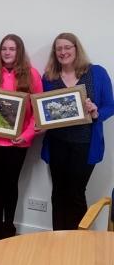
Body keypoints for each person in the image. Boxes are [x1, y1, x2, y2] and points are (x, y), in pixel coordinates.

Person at [41, 32, 114, 230]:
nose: (63, 52)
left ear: (76, 49)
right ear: (55, 52)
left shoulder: (97, 73)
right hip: (57, 143)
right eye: (59, 49)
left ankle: (77, 243)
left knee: (76, 193)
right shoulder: (49, 77)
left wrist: (96, 111)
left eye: (67, 47)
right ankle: (57, 238)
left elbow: (110, 105)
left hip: (85, 144)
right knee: (58, 193)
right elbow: (42, 109)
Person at [0, 34, 43, 243]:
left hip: (19, 141)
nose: (7, 52)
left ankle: (9, 226)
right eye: (4, 48)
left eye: (12, 49)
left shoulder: (32, 74)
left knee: (12, 183)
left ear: (19, 51)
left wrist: (26, 135)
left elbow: (37, 111)